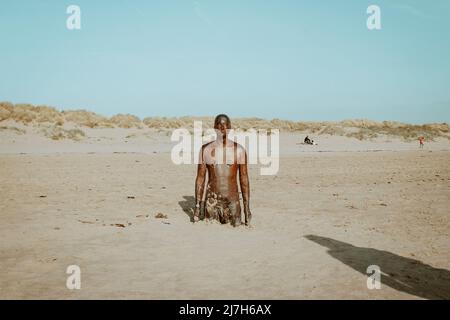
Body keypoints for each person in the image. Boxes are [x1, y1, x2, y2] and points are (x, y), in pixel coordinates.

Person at [193, 114, 252, 226]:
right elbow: (200, 179)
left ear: (230, 128)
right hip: (212, 202)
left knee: (236, 225)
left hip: (232, 203)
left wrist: (247, 208)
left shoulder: (239, 150)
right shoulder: (205, 150)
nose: (222, 127)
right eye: (219, 124)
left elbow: (244, 180)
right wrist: (197, 207)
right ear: (215, 127)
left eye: (225, 125)